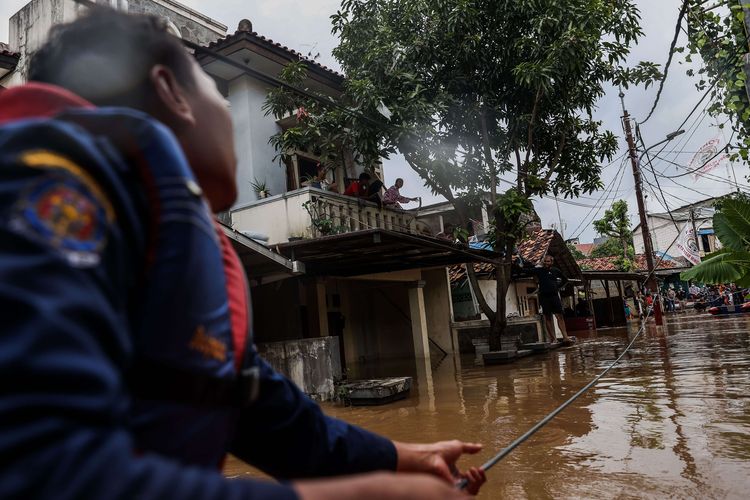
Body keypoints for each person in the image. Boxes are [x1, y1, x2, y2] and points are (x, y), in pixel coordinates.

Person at [0, 10, 486, 499]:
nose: (228, 117)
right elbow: (45, 471)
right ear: (172, 92)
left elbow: (291, 432)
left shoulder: (173, 242)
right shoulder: (40, 182)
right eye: (217, 92)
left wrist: (406, 459)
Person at [524, 255, 573, 344]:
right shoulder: (539, 270)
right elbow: (527, 271)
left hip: (554, 296)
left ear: (552, 262)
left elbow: (565, 280)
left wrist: (558, 287)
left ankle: (565, 337)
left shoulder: (555, 270)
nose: (546, 263)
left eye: (548, 261)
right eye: (545, 261)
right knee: (548, 317)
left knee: (560, 316)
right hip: (544, 296)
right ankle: (553, 339)